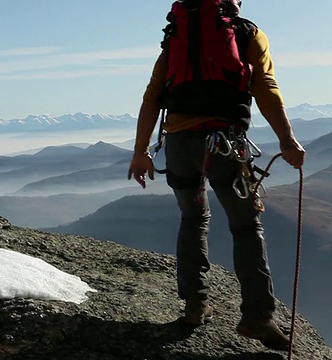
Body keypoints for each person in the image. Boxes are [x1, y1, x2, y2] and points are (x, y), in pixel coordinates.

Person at [127, 0, 306, 352]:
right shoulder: (246, 31)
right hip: (225, 145)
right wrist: (286, 140)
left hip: (179, 145)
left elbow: (152, 96)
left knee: (193, 219)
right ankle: (257, 316)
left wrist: (141, 151)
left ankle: (195, 306)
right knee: (245, 226)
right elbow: (266, 87)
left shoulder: (175, 35)